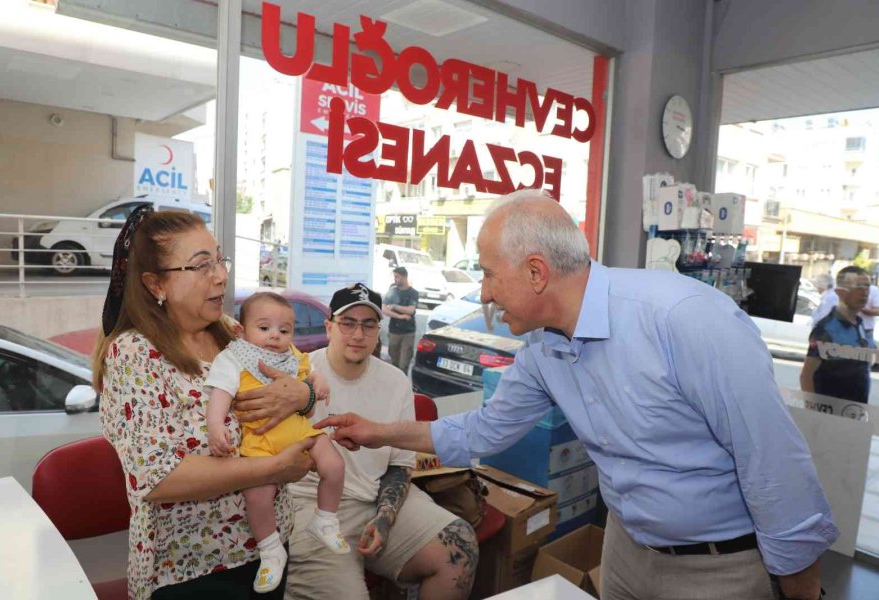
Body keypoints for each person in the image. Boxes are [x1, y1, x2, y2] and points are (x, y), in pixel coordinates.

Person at [317, 190, 838, 600]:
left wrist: (800, 587)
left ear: (536, 272)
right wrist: (377, 431)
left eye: (489, 274)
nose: (485, 293)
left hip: (718, 568)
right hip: (625, 551)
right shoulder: (544, 350)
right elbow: (481, 431)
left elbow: (774, 464)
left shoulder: (683, 320)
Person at [94, 206, 316, 600]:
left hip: (268, 547)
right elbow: (156, 478)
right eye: (201, 265)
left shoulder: (232, 332)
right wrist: (275, 467)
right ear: (156, 284)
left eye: (219, 260)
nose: (220, 275)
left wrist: (305, 395)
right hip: (192, 573)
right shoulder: (134, 355)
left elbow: (295, 385)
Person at [258, 283, 477, 600]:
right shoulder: (296, 375)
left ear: (378, 331)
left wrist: (385, 517)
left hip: (375, 497)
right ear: (329, 326)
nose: (358, 334)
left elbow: (400, 465)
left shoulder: (396, 381)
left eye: (368, 324)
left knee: (460, 545)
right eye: (348, 323)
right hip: (310, 505)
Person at [206, 291, 348, 594]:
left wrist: (318, 382)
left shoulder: (291, 355)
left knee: (335, 466)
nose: (275, 336)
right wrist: (215, 425)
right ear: (241, 330)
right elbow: (220, 393)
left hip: (301, 432)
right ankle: (271, 550)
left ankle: (325, 518)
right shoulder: (234, 358)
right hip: (260, 442)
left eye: (284, 330)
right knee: (257, 498)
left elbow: (311, 375)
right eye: (264, 328)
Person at [801, 266, 877, 403]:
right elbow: (806, 376)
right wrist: (812, 409)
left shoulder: (859, 324)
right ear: (840, 292)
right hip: (831, 411)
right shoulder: (826, 330)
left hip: (856, 410)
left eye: (867, 286)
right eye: (857, 287)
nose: (864, 292)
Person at [382, 266, 419, 374]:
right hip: (394, 331)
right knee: (394, 362)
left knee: (404, 364)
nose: (395, 279)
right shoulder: (392, 291)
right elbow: (384, 309)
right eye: (394, 277)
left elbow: (410, 310)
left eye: (397, 277)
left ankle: (403, 382)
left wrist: (394, 306)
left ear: (404, 277)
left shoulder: (413, 293)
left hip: (408, 332)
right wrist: (400, 316)